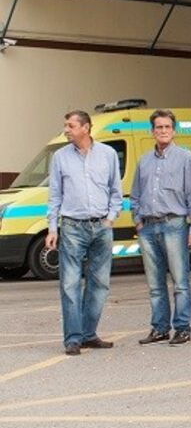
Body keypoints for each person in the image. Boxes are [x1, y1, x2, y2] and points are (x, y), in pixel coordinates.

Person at [46, 110, 122, 356]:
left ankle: (89, 334)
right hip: (72, 227)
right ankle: (73, 339)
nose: (66, 129)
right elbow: (55, 195)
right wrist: (52, 228)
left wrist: (110, 218)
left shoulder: (108, 155)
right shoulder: (60, 157)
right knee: (69, 285)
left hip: (102, 227)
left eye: (70, 125)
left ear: (86, 128)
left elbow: (115, 190)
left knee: (99, 284)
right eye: (65, 125)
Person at [131, 109, 191, 346]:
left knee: (180, 282)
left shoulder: (186, 158)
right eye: (159, 127)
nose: (163, 131)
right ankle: (160, 328)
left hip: (174, 225)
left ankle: (182, 328)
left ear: (174, 130)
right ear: (152, 131)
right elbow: (135, 195)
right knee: (155, 285)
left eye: (167, 127)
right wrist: (138, 220)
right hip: (148, 228)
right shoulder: (143, 161)